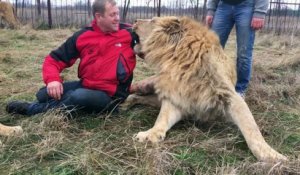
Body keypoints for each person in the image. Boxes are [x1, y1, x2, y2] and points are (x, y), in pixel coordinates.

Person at [6, 0, 139, 116]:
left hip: (112, 96)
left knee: (77, 96)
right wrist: (53, 80)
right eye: (112, 15)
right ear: (99, 16)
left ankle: (32, 109)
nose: (117, 18)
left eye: (117, 13)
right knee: (43, 94)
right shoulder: (83, 36)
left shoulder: (130, 33)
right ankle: (59, 103)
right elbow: (53, 59)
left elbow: (153, 44)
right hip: (87, 85)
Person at [206, 0, 269, 97]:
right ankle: (212, 85)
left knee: (244, 53)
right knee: (212, 50)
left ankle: (240, 90)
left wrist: (260, 12)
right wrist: (211, 10)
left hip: (246, 6)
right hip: (223, 6)